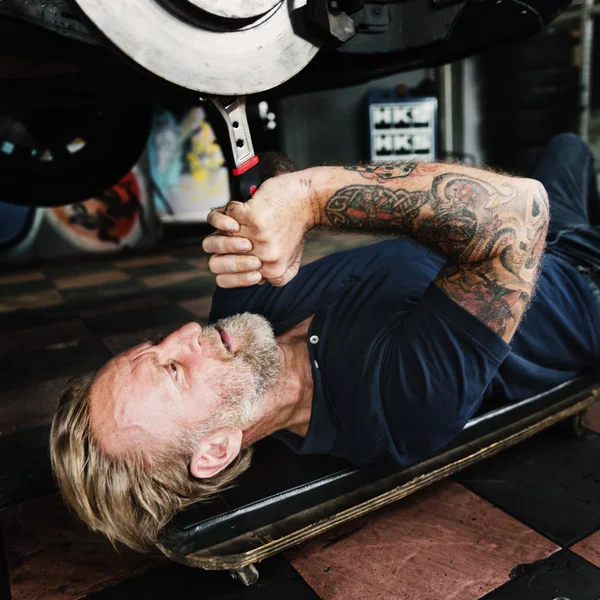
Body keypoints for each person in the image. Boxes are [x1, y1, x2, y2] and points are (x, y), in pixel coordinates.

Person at [50, 133, 600, 553]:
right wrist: (309, 199)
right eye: (173, 370)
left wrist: (263, 208)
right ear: (216, 448)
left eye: (156, 344)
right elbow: (518, 211)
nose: (186, 334)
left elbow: (266, 174)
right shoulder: (394, 404)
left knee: (567, 145)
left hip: (561, 234)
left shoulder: (242, 324)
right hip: (588, 282)